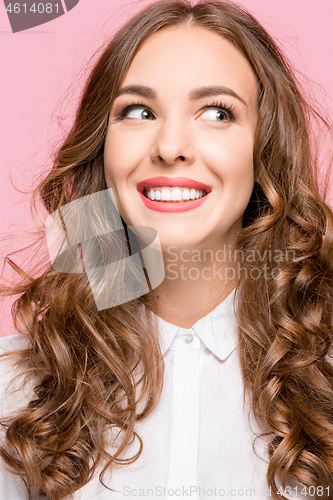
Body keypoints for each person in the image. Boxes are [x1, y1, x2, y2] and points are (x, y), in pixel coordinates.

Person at [1, 1, 333, 499]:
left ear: (264, 152)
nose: (171, 145)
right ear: (103, 150)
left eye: (217, 112)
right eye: (139, 111)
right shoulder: (12, 392)